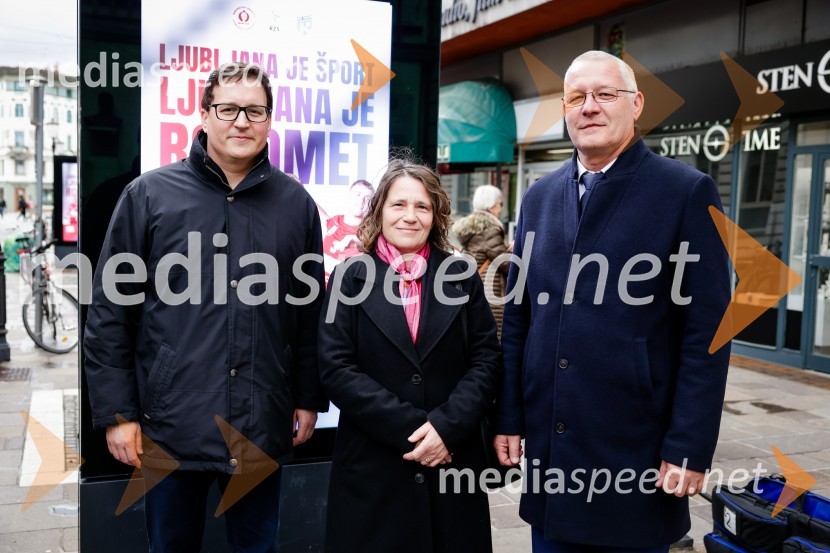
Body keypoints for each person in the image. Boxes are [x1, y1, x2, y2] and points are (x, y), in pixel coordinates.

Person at [84, 62, 327, 552]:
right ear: (204, 114)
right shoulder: (149, 195)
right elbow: (111, 311)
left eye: (255, 110)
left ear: (270, 120)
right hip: (170, 427)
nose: (242, 121)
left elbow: (308, 315)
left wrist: (306, 397)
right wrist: (117, 414)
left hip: (262, 424)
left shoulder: (296, 204)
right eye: (228, 108)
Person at [494, 50, 731, 553]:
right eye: (577, 97)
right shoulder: (538, 198)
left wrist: (689, 447)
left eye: (605, 94)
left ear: (636, 104)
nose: (590, 107)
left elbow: (707, 332)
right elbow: (519, 319)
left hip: (635, 453)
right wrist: (510, 417)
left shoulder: (686, 192)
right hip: (551, 455)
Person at [319, 159, 502, 553]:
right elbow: (335, 367)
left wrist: (446, 428)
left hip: (451, 463)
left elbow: (486, 359)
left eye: (422, 206)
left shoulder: (460, 275)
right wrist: (418, 430)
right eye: (398, 204)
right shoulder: (350, 276)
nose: (410, 216)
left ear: (436, 215)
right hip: (374, 468)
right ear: (379, 211)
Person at [452, 184, 509, 337]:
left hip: (476, 288)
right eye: (499, 204)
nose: (500, 209)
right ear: (492, 206)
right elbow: (507, 264)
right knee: (493, 337)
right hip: (491, 293)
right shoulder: (489, 230)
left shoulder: (473, 230)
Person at [320, 179, 374, 283]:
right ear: (349, 195)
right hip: (319, 292)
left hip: (344, 295)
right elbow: (311, 204)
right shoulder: (333, 222)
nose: (361, 201)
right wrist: (297, 186)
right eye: (358, 194)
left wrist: (353, 239)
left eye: (367, 199)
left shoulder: (369, 233)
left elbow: (369, 243)